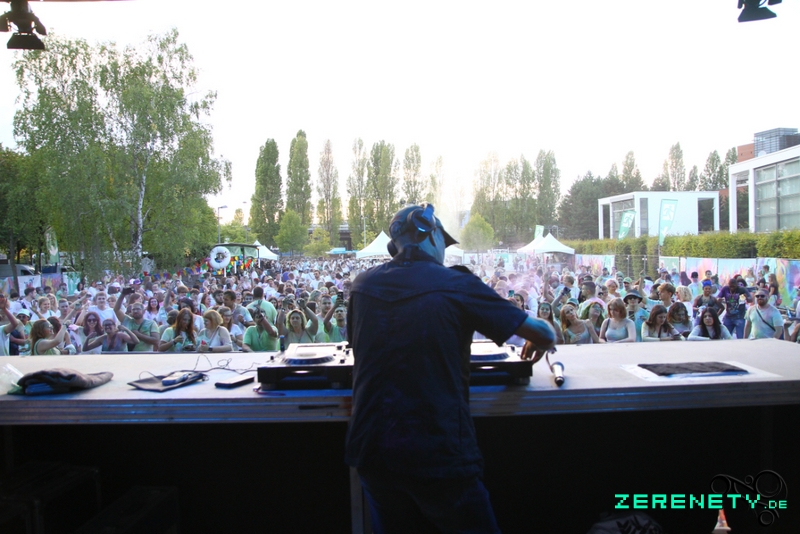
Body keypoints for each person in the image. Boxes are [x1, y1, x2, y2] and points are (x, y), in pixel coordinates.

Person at [345, 204, 555, 533]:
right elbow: (544, 334)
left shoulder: (362, 285)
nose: (444, 250)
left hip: (371, 450)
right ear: (430, 234)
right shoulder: (457, 283)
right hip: (436, 449)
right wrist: (541, 338)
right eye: (443, 241)